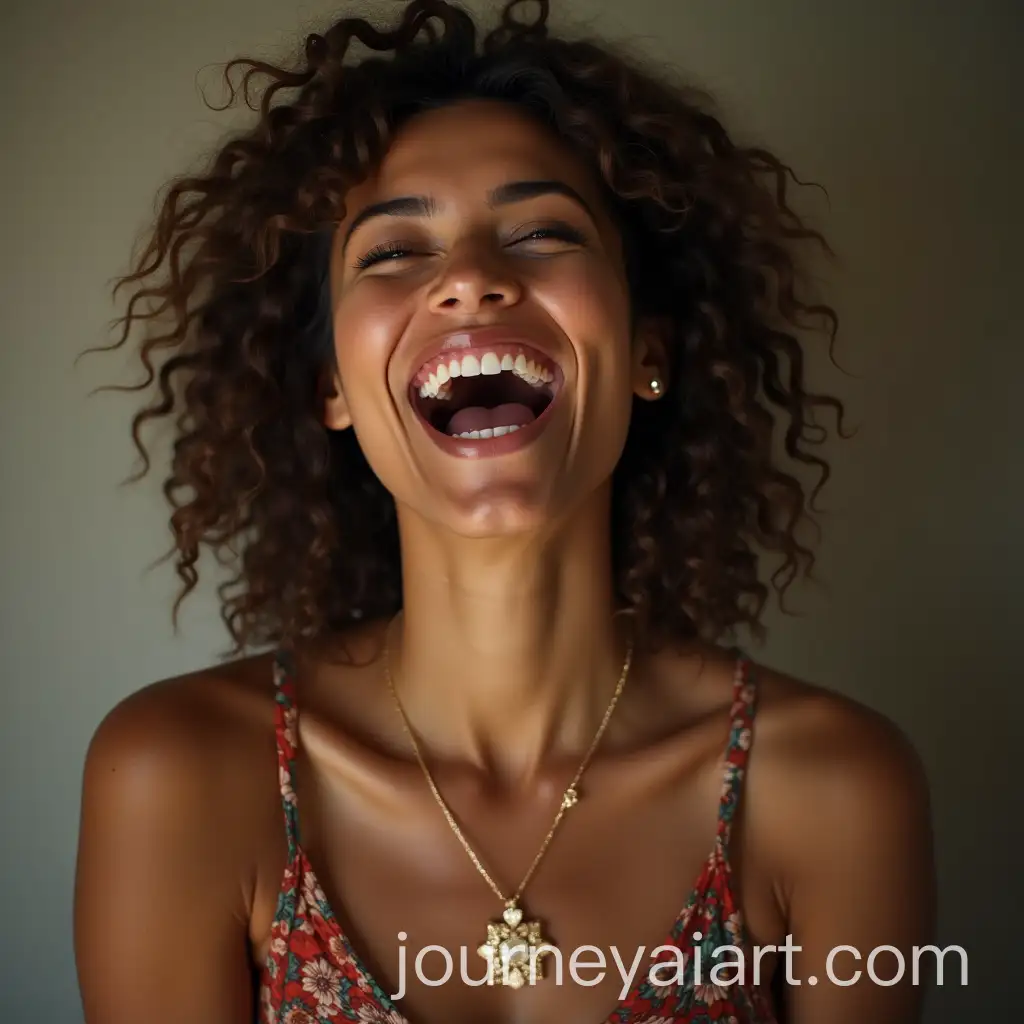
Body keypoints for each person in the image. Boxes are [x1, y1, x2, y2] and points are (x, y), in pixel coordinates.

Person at [73, 1, 935, 1022]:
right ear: (331, 390)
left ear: (647, 353)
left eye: (541, 232)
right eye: (394, 253)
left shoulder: (835, 790)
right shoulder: (180, 776)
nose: (474, 279)